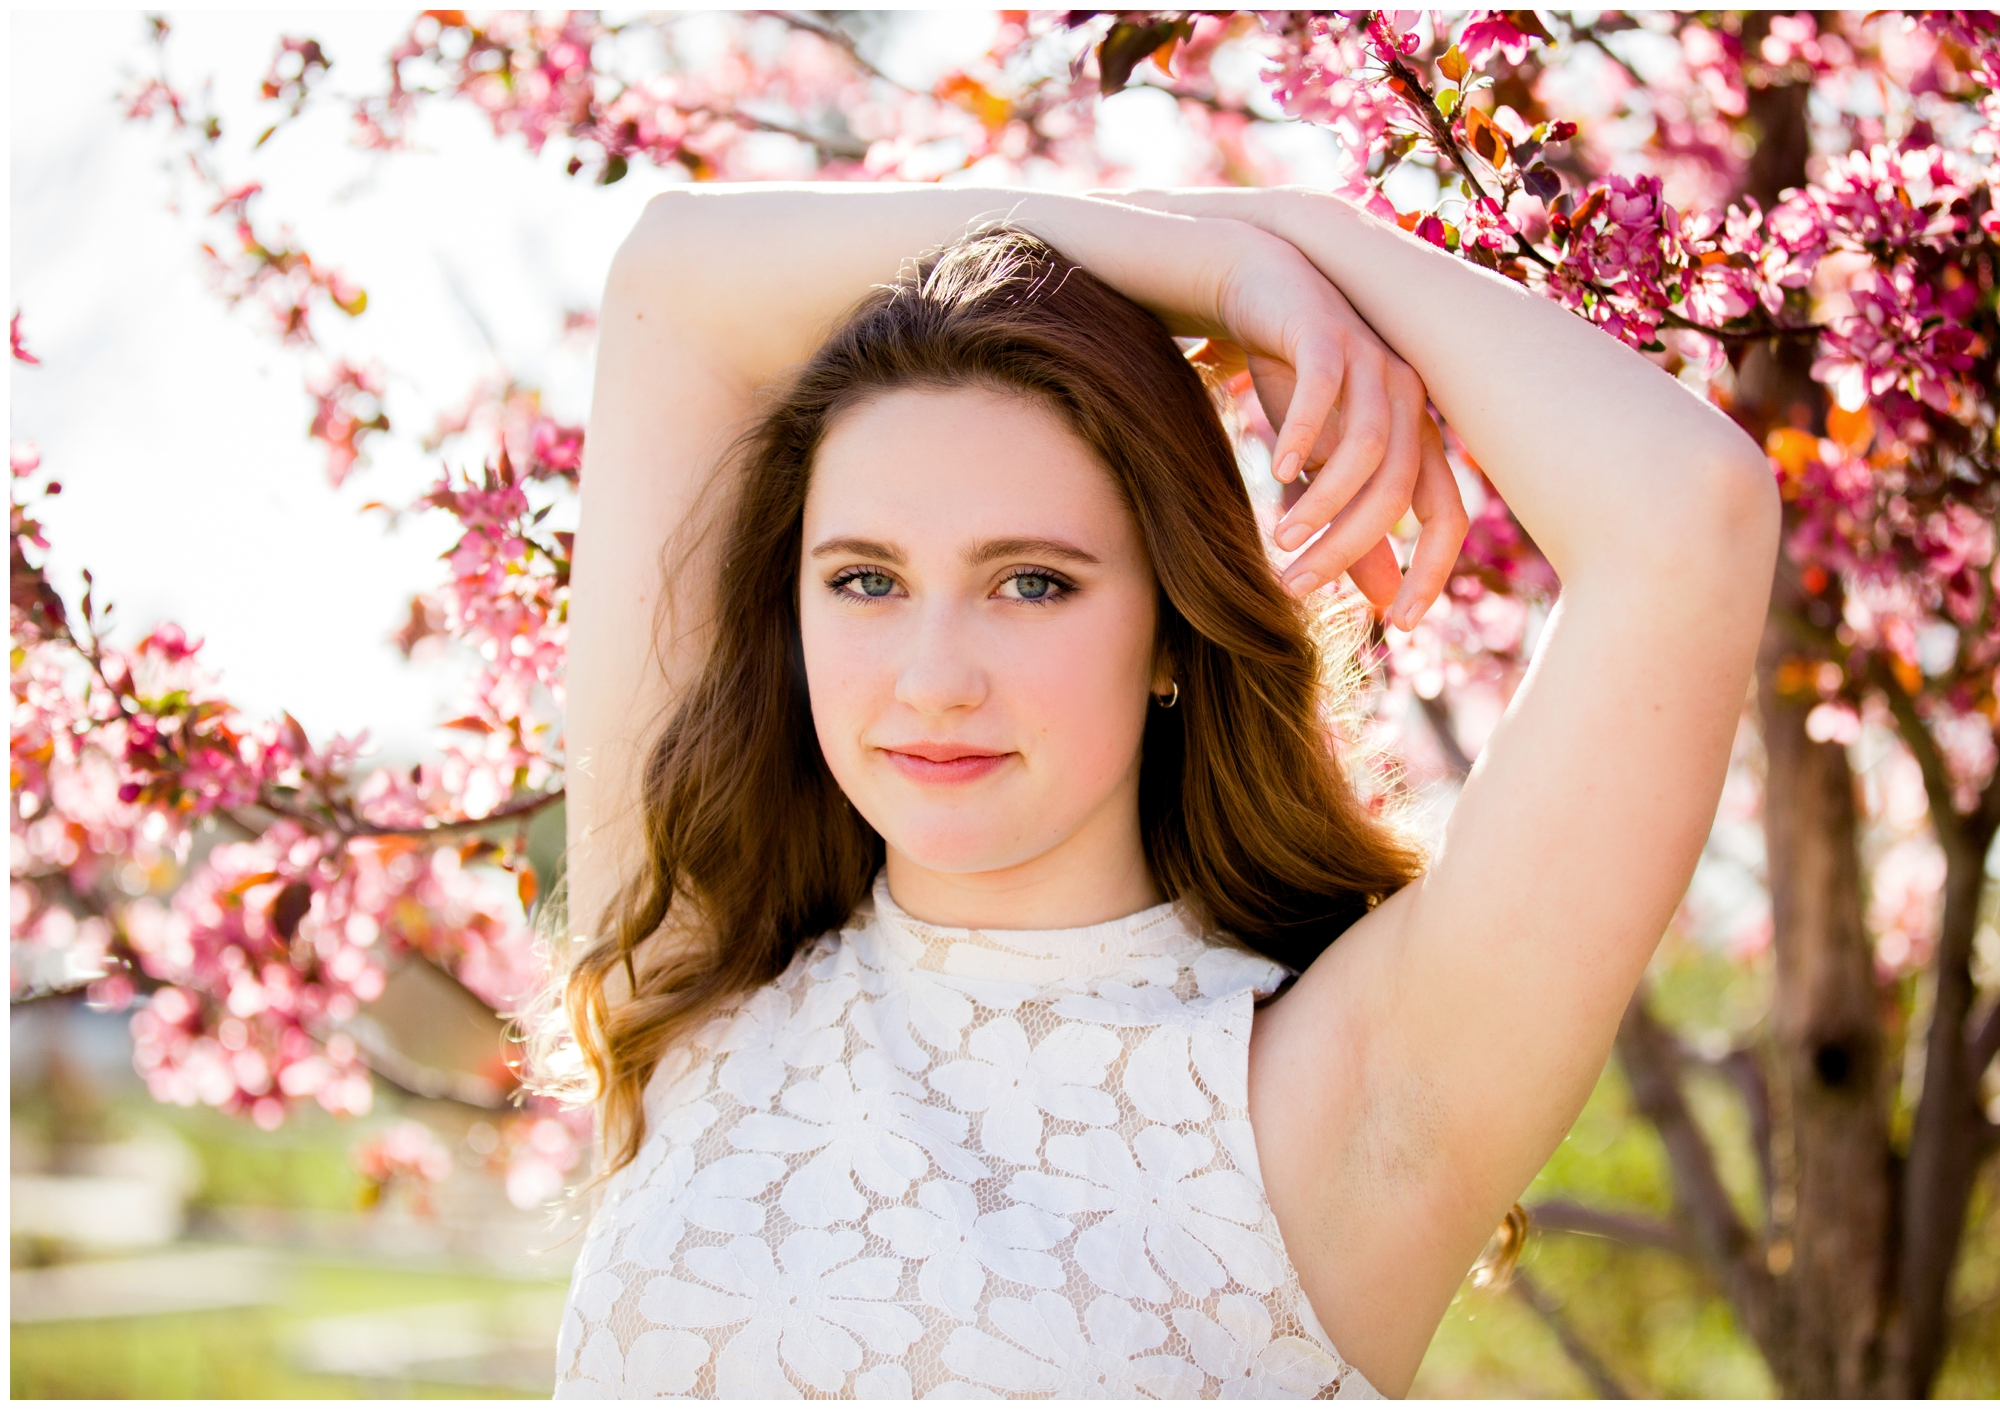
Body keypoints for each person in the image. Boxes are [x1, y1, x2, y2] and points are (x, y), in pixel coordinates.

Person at [545, 184, 1779, 1399]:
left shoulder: (1335, 1096)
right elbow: (676, 274)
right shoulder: (688, 963)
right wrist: (1226, 264)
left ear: (1173, 636)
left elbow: (1685, 510)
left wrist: (1323, 239)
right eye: (865, 581)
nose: (930, 680)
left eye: (1032, 583)